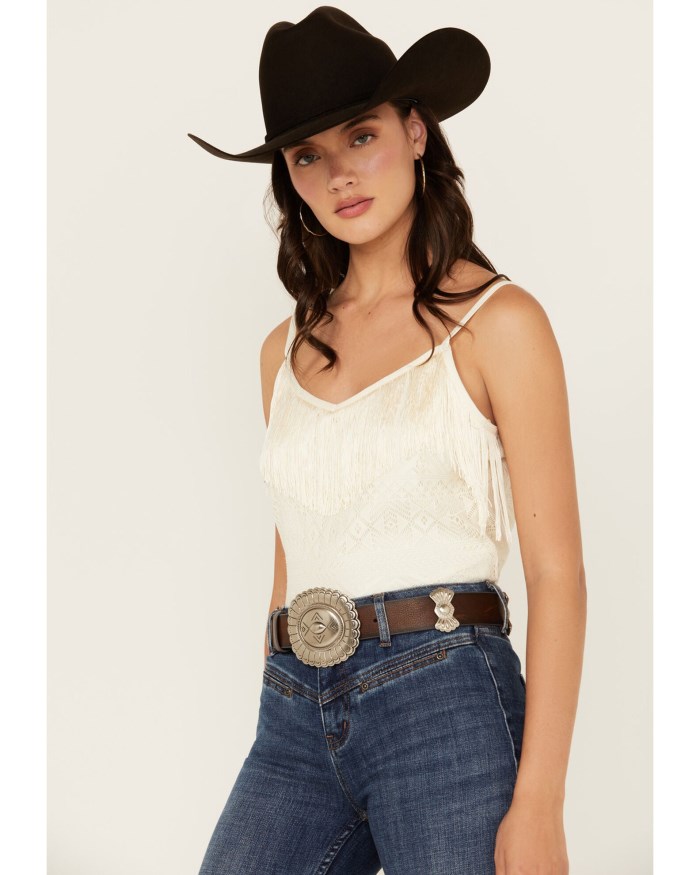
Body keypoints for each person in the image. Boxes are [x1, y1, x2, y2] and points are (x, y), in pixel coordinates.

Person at [189, 7, 585, 874]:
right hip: (295, 707)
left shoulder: (499, 323)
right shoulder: (285, 352)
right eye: (307, 156)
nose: (338, 174)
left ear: (415, 131)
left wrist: (541, 803)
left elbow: (557, 572)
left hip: (444, 699)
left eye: (360, 136)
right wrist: (279, 684)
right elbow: (297, 547)